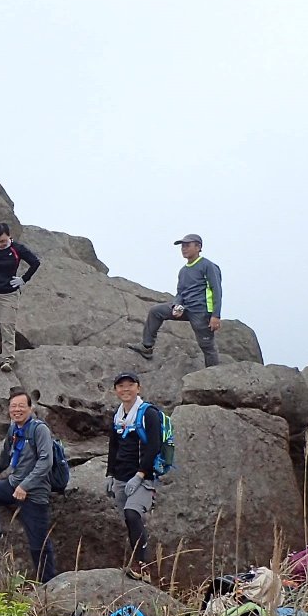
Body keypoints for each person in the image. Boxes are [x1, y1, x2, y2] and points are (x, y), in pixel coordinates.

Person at [0, 391, 58, 583]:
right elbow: (7, 450)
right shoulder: (14, 429)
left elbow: (46, 461)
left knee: (38, 544)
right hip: (13, 485)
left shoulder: (39, 430)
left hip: (35, 493)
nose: (17, 410)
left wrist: (25, 486)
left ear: (31, 408)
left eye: (21, 406)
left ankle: (49, 583)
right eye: (13, 406)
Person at [106, 372, 165, 580]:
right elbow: (114, 446)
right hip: (121, 477)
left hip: (143, 477)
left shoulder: (148, 413)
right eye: (121, 386)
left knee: (133, 513)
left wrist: (140, 475)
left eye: (130, 385)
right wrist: (110, 474)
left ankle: (143, 565)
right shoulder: (118, 415)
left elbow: (154, 446)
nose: (125, 389)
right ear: (115, 390)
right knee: (130, 521)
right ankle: (139, 565)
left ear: (138, 388)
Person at [131, 235, 222, 368]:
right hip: (185, 308)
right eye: (182, 246)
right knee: (156, 311)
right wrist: (177, 305)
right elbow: (180, 292)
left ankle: (213, 375)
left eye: (187, 245)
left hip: (201, 312)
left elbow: (216, 290)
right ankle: (147, 347)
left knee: (207, 346)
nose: (184, 249)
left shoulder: (208, 266)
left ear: (198, 247)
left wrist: (215, 315)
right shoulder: (183, 271)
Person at [0, 223, 42, 372]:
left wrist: (23, 279)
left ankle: (7, 359)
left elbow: (35, 262)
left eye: (3, 241)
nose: (1, 244)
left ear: (9, 236)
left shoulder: (17, 249)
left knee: (7, 326)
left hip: (9, 294)